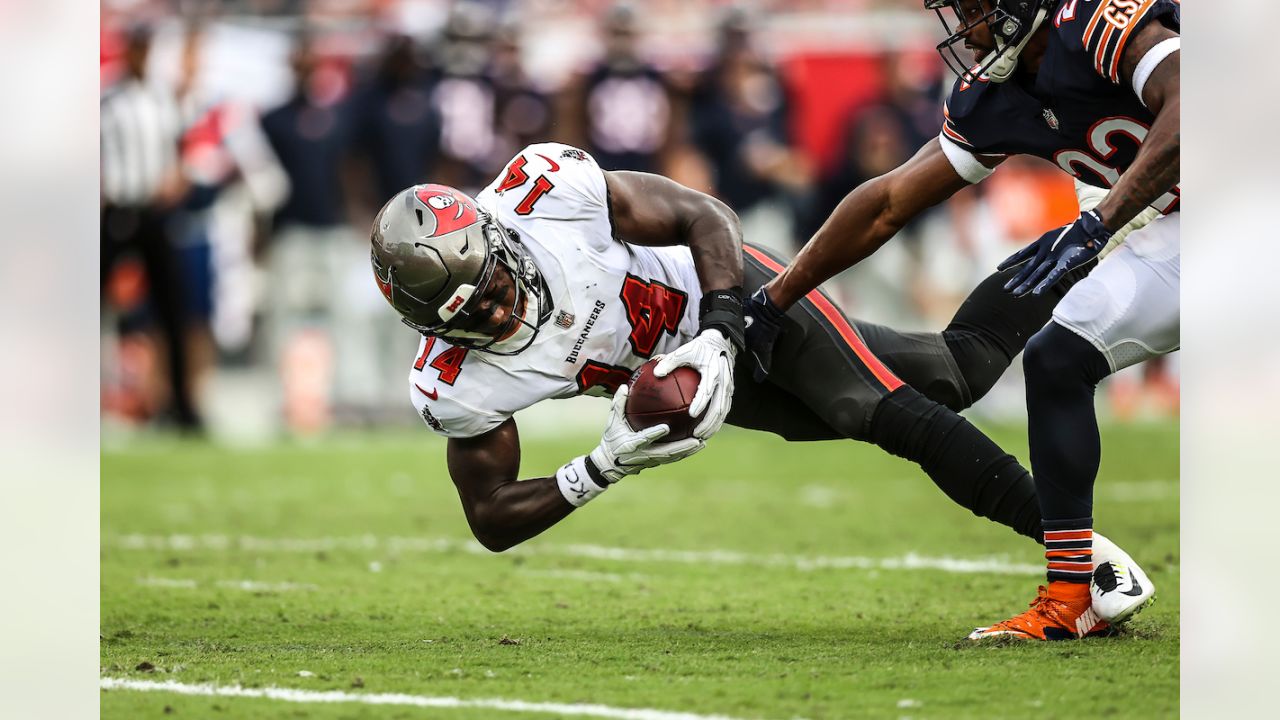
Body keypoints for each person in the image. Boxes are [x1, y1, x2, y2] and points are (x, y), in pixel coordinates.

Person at [369, 141, 1150, 634]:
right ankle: (1081, 245)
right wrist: (597, 468)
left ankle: (1084, 564)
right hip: (706, 388)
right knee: (956, 369)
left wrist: (722, 328)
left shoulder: (548, 193)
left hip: (739, 298)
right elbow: (490, 519)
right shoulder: (455, 384)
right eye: (477, 316)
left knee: (870, 407)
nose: (503, 312)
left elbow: (705, 216)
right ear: (432, 326)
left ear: (496, 237)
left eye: (497, 284)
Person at [743, 0, 1178, 640]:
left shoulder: (1093, 23)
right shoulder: (994, 95)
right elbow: (888, 202)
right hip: (1170, 231)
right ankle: (1071, 596)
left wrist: (1098, 224)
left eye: (970, 9)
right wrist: (777, 297)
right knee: (1057, 359)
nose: (962, 30)